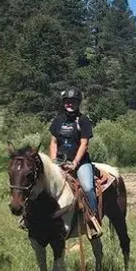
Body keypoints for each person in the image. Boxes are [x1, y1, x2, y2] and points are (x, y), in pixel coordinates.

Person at [48, 86, 101, 237]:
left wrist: (75, 163)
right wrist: (53, 161)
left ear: (78, 103)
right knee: (42, 185)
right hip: (59, 162)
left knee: (88, 187)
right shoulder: (58, 120)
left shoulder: (84, 121)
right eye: (67, 101)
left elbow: (84, 143)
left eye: (73, 102)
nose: (69, 104)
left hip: (80, 163)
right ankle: (32, 219)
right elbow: (53, 142)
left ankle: (92, 219)